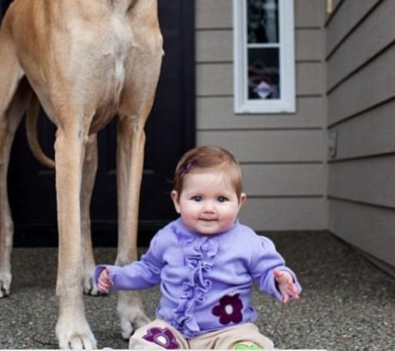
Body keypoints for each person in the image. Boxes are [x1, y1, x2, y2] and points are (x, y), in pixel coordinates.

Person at [95, 145, 301, 350]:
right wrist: (115, 275)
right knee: (149, 339)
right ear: (177, 201)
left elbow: (267, 269)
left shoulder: (248, 242)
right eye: (197, 198)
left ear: (239, 202)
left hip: (229, 330)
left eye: (221, 199)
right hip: (174, 329)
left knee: (246, 344)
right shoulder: (167, 238)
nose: (209, 208)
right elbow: (147, 269)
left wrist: (280, 279)